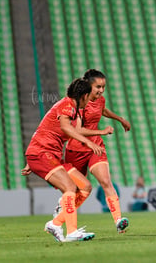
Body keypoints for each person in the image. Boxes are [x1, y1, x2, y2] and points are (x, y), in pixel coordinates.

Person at [21, 78, 105, 242]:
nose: (90, 101)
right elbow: (65, 128)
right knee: (69, 187)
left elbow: (45, 127)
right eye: (89, 97)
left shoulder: (73, 110)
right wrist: (88, 142)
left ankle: (56, 223)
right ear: (84, 95)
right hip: (43, 153)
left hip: (49, 156)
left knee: (85, 187)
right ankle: (72, 231)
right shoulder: (67, 105)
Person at [53, 69, 131, 234]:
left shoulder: (100, 100)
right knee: (74, 190)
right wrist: (101, 131)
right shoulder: (79, 103)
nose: (101, 90)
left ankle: (118, 220)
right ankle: (59, 217)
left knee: (105, 181)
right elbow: (78, 130)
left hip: (95, 147)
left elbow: (103, 110)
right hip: (76, 150)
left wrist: (120, 119)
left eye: (103, 87)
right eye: (98, 87)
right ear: (88, 86)